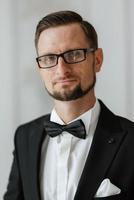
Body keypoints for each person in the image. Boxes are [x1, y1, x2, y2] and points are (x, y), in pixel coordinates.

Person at [4, 10, 134, 200]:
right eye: (49, 58)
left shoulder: (131, 141)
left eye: (73, 54)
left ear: (97, 60)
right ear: (40, 68)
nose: (61, 70)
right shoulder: (24, 136)